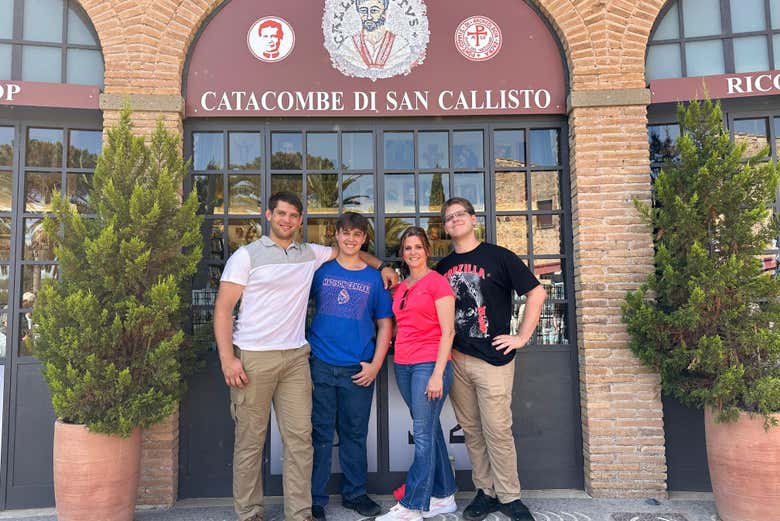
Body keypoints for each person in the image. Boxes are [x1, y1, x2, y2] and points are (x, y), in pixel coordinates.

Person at [214, 192, 397, 521]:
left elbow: (352, 251)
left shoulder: (310, 254)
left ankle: (300, 513)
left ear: (300, 221)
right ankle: (249, 513)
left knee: (301, 440)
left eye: (293, 215)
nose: (286, 220)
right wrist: (229, 358)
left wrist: (383, 265)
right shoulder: (246, 256)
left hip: (297, 357)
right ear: (269, 215)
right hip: (254, 357)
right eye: (281, 213)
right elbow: (223, 310)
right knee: (251, 442)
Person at [435, 198, 547, 521]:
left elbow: (536, 293)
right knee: (471, 430)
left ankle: (510, 496)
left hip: (494, 360)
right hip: (457, 359)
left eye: (460, 215)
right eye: (448, 217)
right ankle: (486, 492)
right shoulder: (443, 268)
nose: (455, 220)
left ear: (473, 219)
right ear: (446, 227)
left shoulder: (498, 257)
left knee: (497, 429)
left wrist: (521, 337)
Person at [308, 212, 393, 521]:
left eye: (357, 234)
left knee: (354, 434)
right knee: (319, 434)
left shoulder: (375, 278)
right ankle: (314, 499)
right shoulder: (321, 270)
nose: (351, 239)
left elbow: (385, 325)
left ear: (364, 239)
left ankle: (355, 494)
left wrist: (375, 365)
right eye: (346, 233)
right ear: (336, 235)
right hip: (320, 363)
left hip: (357, 369)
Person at [376, 227, 457, 521]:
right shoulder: (401, 287)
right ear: (402, 253)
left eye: (418, 247)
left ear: (427, 250)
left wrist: (437, 374)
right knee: (430, 429)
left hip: (429, 364)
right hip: (404, 364)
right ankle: (445, 495)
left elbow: (448, 331)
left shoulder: (438, 284)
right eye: (407, 248)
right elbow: (399, 326)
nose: (413, 253)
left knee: (422, 435)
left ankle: (413, 505)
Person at [342, 0, 411, 70]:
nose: (368, 17)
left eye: (374, 11)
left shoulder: (400, 45)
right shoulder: (348, 45)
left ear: (385, 13)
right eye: (363, 11)